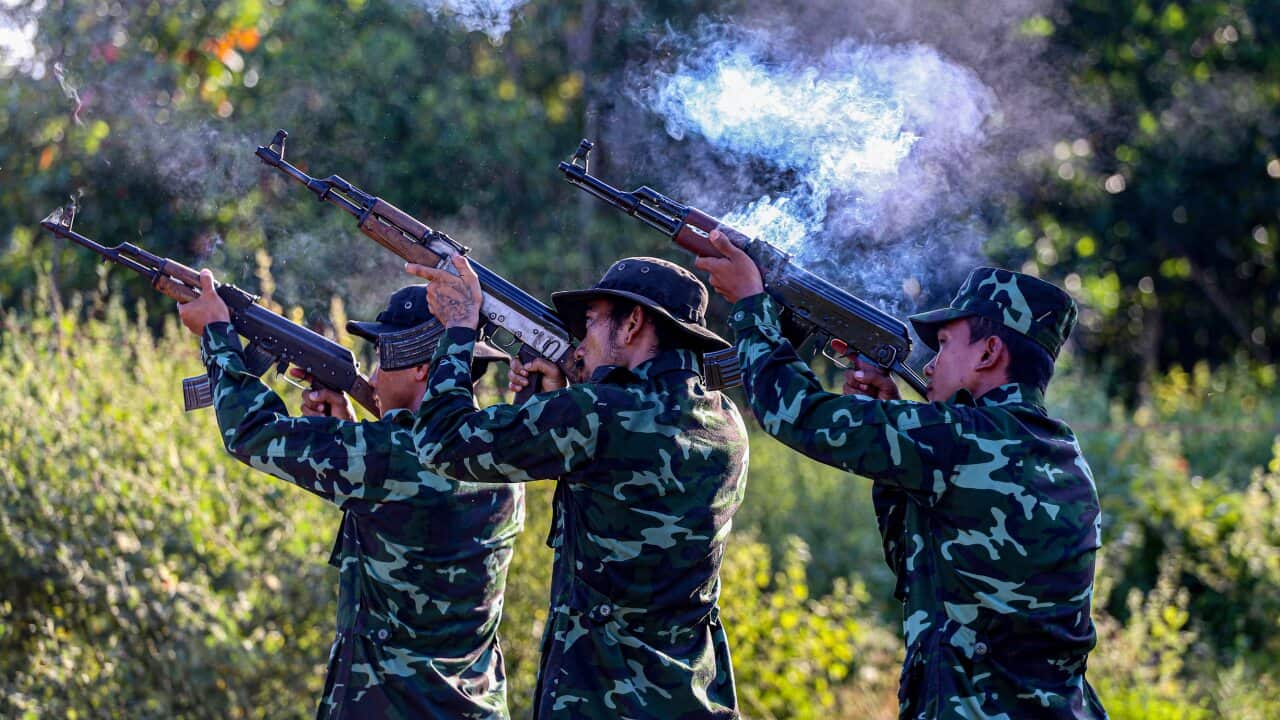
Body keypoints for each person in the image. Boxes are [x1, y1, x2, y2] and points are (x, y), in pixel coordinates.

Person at [695, 231, 1107, 719]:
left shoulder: (960, 440)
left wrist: (750, 305)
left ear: (989, 353)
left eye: (946, 345)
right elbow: (921, 563)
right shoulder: (1058, 452)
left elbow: (796, 414)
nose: (929, 366)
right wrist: (894, 453)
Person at [403, 255, 749, 719]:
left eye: (590, 322)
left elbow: (441, 442)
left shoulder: (593, 414)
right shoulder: (725, 422)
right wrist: (559, 404)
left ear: (631, 325)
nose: (581, 343)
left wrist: (460, 328)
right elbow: (619, 478)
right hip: (691, 700)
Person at [178, 273, 524, 720]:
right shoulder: (502, 457)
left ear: (422, 367)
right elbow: (405, 494)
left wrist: (217, 335)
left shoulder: (387, 458)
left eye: (384, 358)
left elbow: (251, 433)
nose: (374, 375)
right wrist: (350, 427)